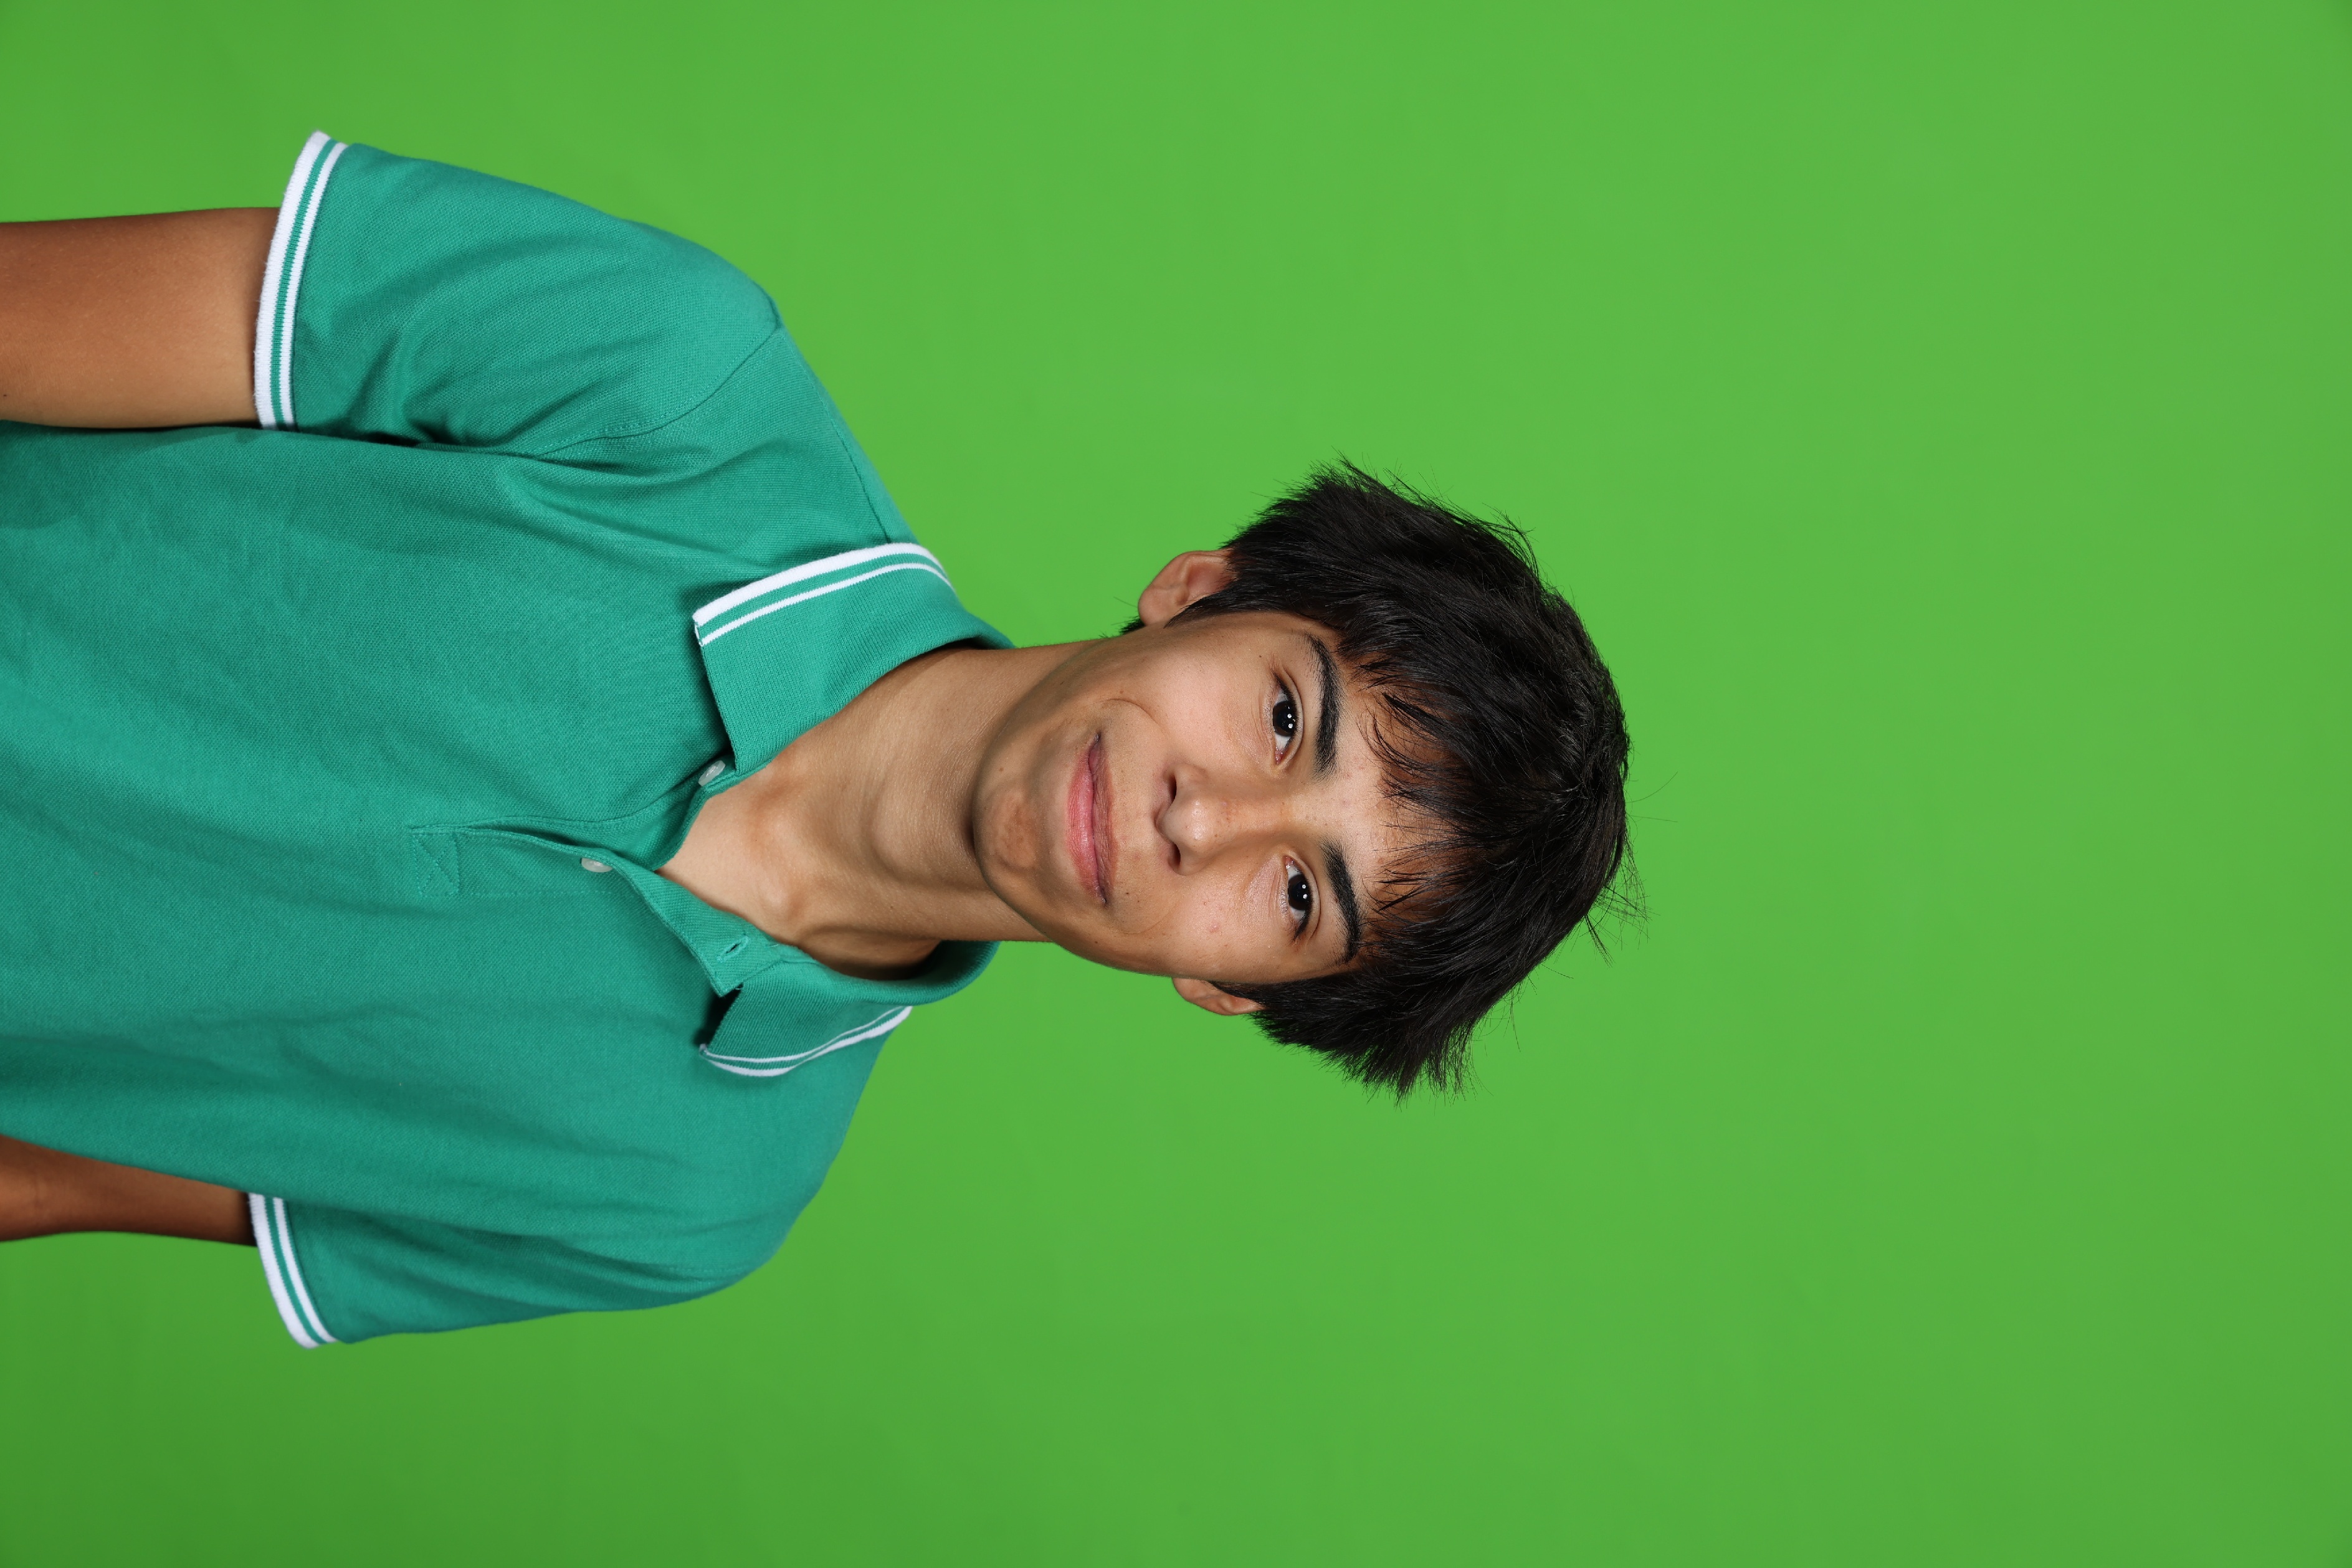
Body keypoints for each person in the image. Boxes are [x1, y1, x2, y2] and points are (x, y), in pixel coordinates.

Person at [0, 134, 1634, 1345]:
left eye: (1298, 897)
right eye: (1284, 717)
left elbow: (57, 1175)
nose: (1208, 821)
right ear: (1199, 592)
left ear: (1231, 991)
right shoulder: (673, 375)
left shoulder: (690, 1201)